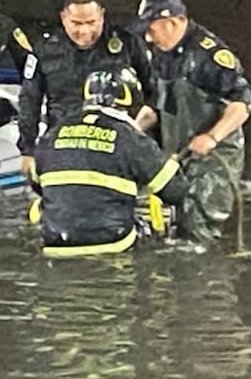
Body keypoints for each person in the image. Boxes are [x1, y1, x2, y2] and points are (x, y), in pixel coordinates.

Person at [130, 0, 251, 246]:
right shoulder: (161, 52)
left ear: (172, 22)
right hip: (177, 154)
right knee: (169, 224)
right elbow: (157, 103)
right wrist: (130, 131)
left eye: (151, 29)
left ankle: (206, 280)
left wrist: (212, 136)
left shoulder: (209, 56)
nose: (147, 37)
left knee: (199, 227)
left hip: (212, 158)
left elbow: (243, 103)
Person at [33, 67, 188, 257]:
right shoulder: (130, 139)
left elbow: (38, 185)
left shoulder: (53, 134)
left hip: (55, 244)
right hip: (112, 244)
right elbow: (175, 191)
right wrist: (172, 163)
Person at [18, 0, 155, 178]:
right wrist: (27, 149)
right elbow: (29, 101)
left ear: (102, 15)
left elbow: (153, 91)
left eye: (92, 22)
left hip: (115, 146)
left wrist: (139, 130)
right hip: (64, 145)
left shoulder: (127, 43)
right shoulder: (44, 50)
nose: (85, 31)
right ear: (63, 17)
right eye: (76, 23)